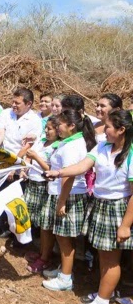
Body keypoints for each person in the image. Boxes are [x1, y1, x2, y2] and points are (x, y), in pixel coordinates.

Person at [47, 110, 132, 304]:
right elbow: (82, 166)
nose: (105, 131)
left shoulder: (130, 154)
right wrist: (58, 172)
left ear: (121, 130)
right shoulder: (102, 145)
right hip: (100, 204)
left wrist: (125, 225)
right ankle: (105, 292)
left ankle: (102, 302)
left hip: (117, 209)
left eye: (109, 127)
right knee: (103, 255)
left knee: (111, 258)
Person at [41, 109, 96, 292]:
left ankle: (65, 278)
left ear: (72, 126)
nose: (57, 128)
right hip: (62, 193)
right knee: (60, 236)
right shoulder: (68, 142)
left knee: (64, 239)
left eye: (60, 125)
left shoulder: (73, 146)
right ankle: (63, 271)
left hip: (69, 194)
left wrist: (62, 201)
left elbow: (69, 176)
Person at [23, 117, 60, 273]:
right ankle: (41, 252)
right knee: (36, 220)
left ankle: (45, 257)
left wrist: (36, 157)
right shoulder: (42, 140)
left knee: (46, 225)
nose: (46, 131)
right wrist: (26, 167)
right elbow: (30, 157)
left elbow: (50, 170)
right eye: (46, 128)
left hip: (45, 187)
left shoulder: (57, 146)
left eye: (50, 129)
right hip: (33, 182)